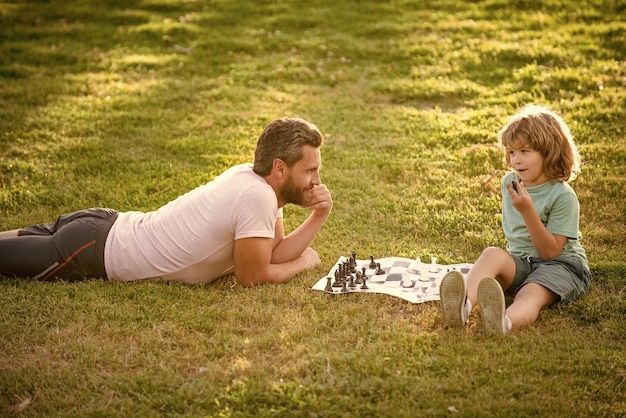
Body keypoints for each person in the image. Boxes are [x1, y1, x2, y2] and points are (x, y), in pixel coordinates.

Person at [0, 117, 333, 287]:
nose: (316, 180)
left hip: (101, 228)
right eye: (310, 170)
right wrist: (303, 263)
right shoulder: (257, 196)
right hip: (94, 252)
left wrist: (318, 216)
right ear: (279, 167)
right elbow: (252, 276)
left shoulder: (252, 179)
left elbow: (271, 252)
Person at [439, 104, 591, 334]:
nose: (515, 160)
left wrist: (528, 211)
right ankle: (463, 306)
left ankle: (504, 321)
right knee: (492, 254)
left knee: (530, 292)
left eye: (525, 151)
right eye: (511, 152)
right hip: (523, 260)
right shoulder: (510, 182)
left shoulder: (562, 196)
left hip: (562, 266)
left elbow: (550, 252)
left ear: (549, 153)